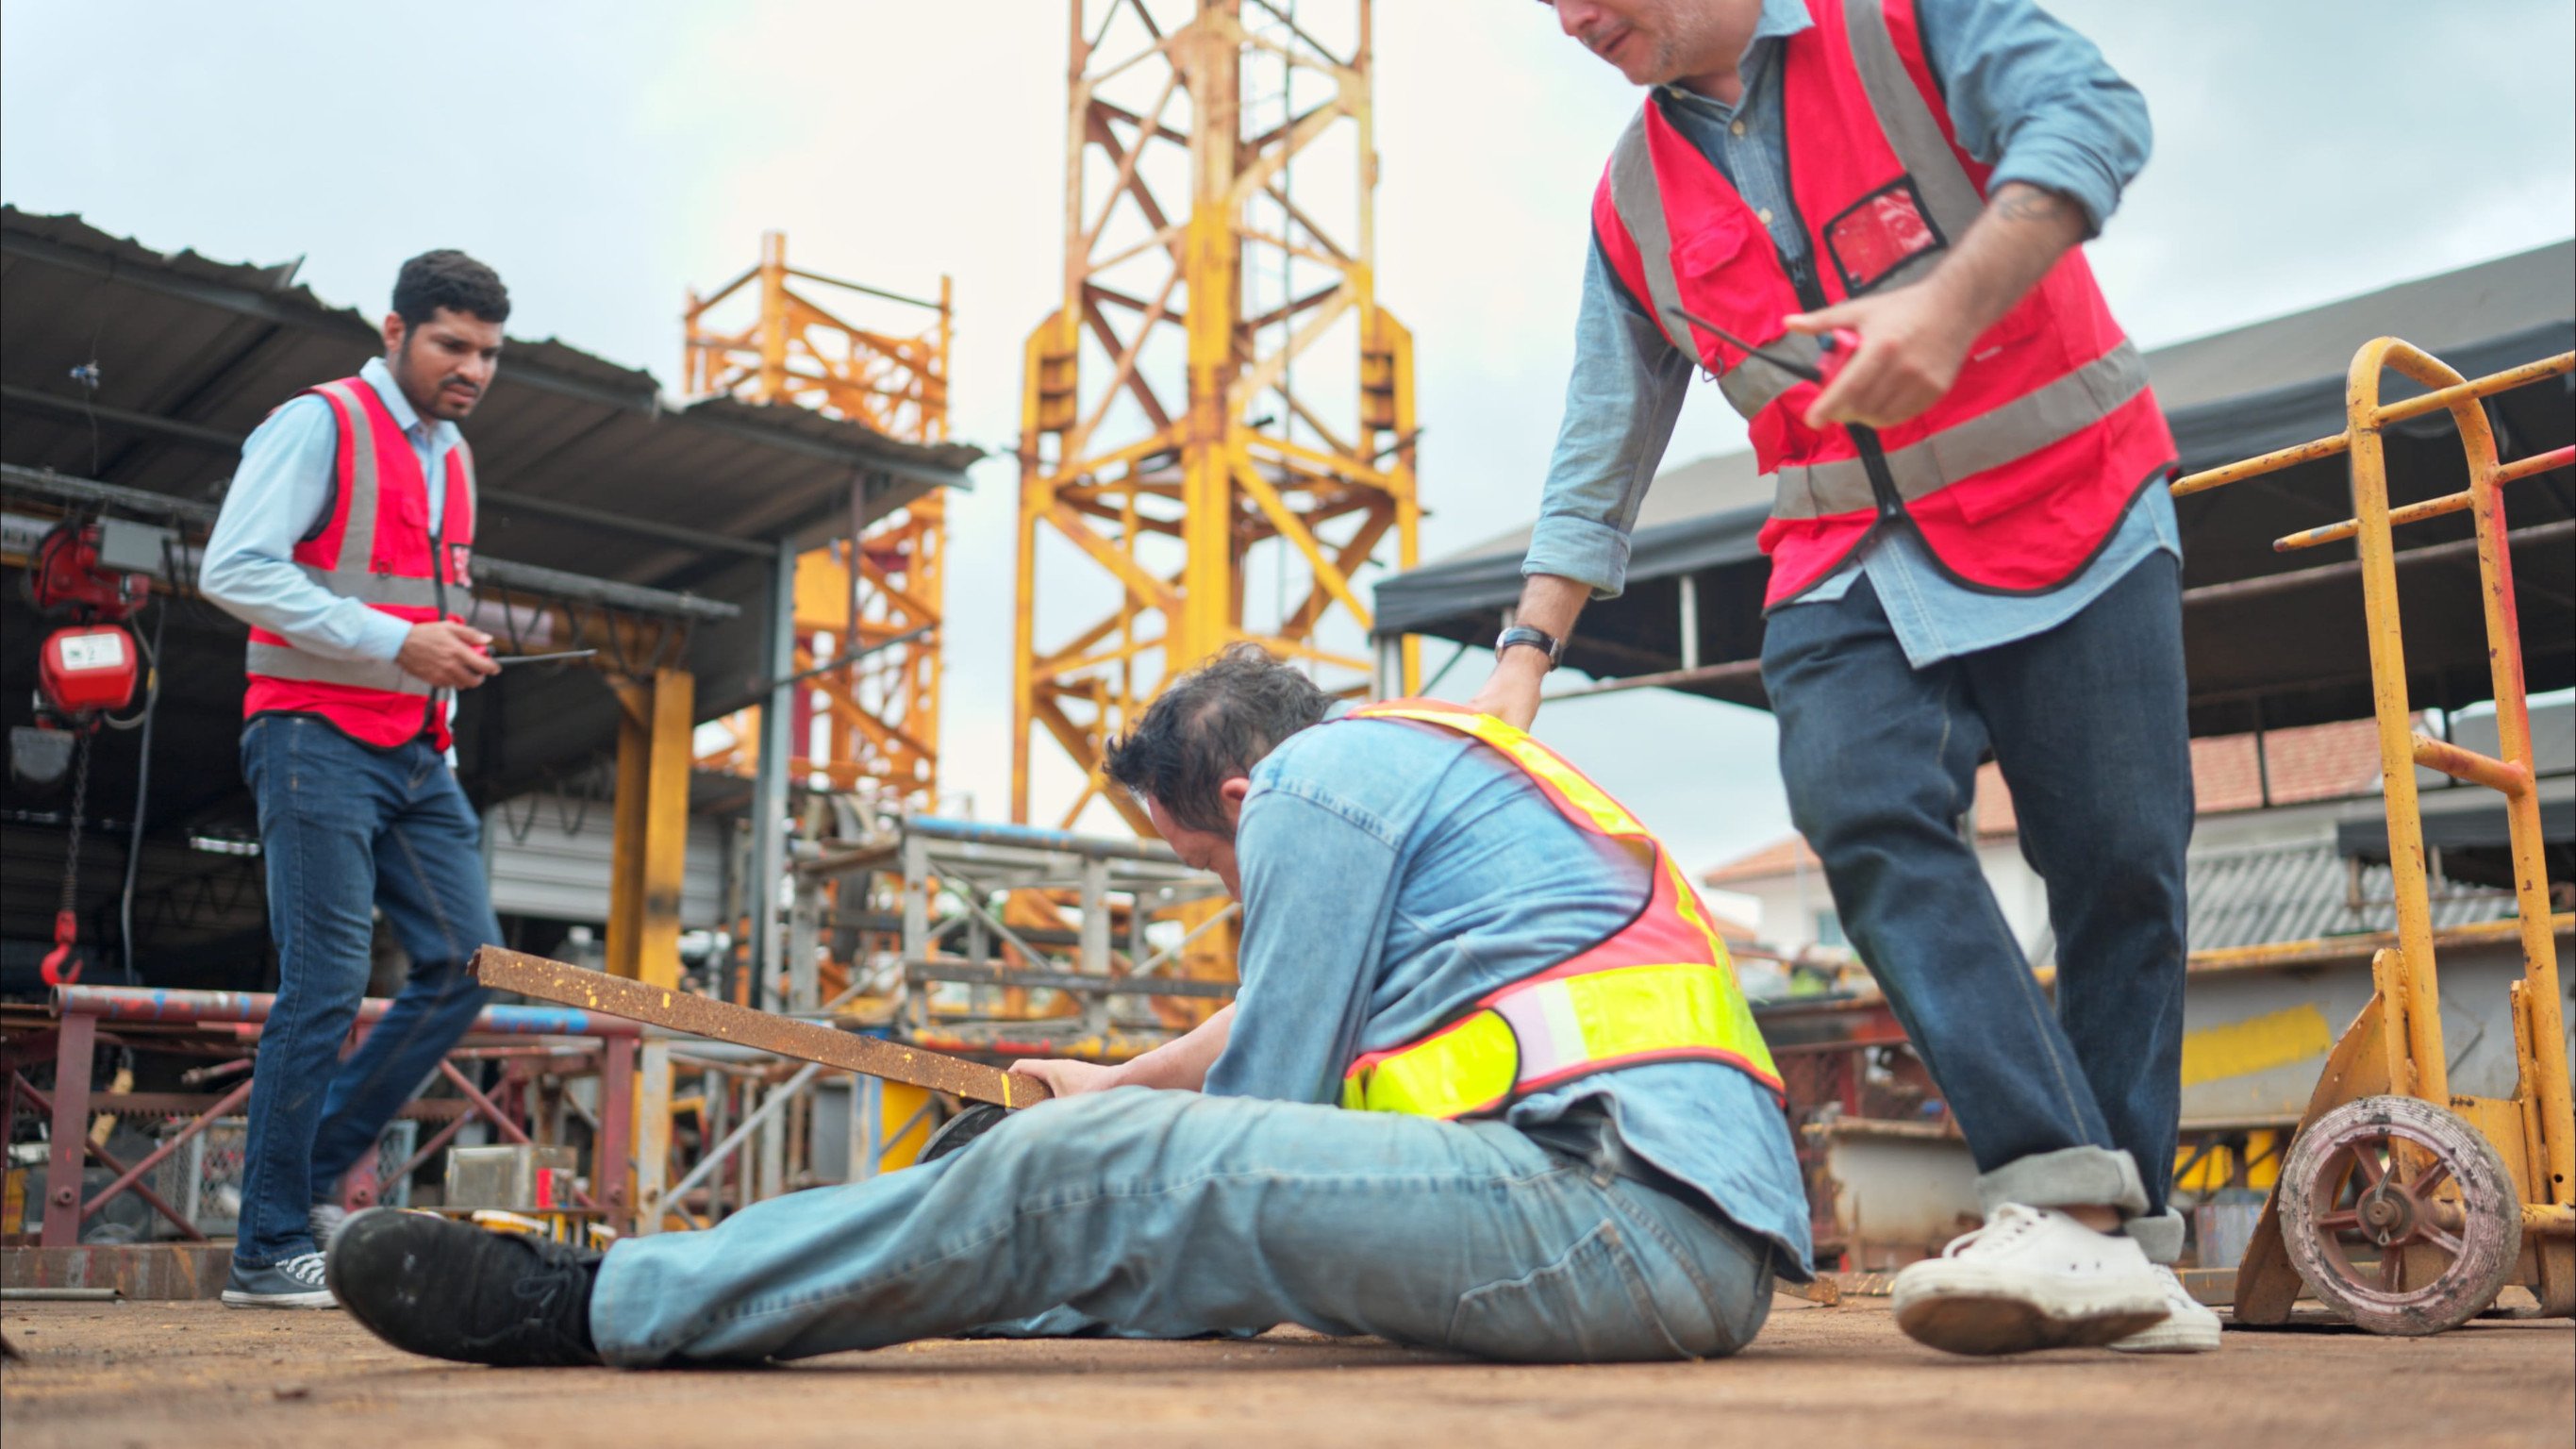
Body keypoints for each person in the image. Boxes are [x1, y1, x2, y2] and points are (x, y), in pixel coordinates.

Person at [324, 645, 1812, 1367]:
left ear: (1240, 792)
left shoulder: (1311, 787)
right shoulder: (1436, 769)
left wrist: (1074, 1146)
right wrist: (1097, 1085)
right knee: (1089, 1178)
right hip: (1654, 1225)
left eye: (1209, 862)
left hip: (1606, 1223)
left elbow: (1261, 1109)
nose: (1238, 887)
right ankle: (802, 1275)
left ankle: (595, 1308)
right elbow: (1247, 1035)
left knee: (1086, 1186)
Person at [1477, 0, 2211, 1356]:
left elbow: (2093, 114)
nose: (1570, 18)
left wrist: (1954, 299)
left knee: (2119, 868)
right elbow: (1604, 426)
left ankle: (2128, 1250)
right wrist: (1524, 652)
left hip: (2077, 510)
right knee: (1857, 806)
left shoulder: (1906, 26)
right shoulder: (1632, 196)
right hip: (1843, 557)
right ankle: (2059, 1195)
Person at [200, 250, 510, 1307]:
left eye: (486, 353)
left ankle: (306, 1173)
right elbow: (234, 568)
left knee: (469, 967)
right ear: (394, 331)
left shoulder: (455, 457)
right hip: (312, 738)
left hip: (419, 752)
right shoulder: (318, 422)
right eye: (451, 346)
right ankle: (267, 1246)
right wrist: (395, 641)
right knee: (326, 987)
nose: (471, 369)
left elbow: (418, 608)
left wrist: (444, 668)